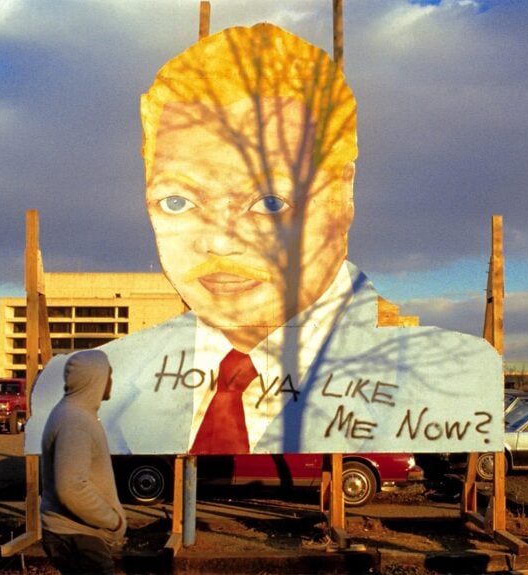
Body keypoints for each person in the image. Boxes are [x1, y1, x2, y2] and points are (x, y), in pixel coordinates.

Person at [27, 23, 502, 457]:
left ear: (341, 196)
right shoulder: (118, 375)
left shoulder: (439, 374)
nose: (218, 243)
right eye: (177, 201)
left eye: (270, 203)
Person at [39, 349, 127, 575]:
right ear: (94, 378)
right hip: (78, 538)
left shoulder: (74, 413)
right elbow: (71, 488)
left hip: (77, 537)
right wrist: (113, 521)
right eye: (108, 374)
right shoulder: (75, 422)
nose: (111, 380)